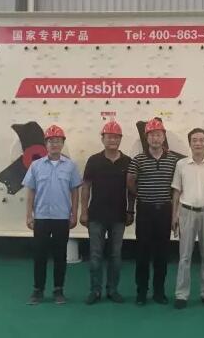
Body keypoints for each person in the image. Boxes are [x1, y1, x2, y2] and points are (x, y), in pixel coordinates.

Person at [23, 124, 82, 305]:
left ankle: (58, 290)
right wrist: (29, 215)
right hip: (41, 217)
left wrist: (74, 214)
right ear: (45, 144)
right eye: (51, 141)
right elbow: (31, 191)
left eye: (58, 141)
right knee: (39, 255)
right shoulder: (36, 166)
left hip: (61, 218)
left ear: (62, 143)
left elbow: (75, 192)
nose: (54, 144)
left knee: (60, 256)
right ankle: (38, 290)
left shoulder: (70, 166)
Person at [171, 128, 204, 309]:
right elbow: (176, 192)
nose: (198, 143)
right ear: (190, 143)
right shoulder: (181, 165)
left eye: (201, 140)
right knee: (184, 256)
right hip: (186, 212)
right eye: (194, 140)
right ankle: (181, 294)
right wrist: (174, 215)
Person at [127, 118, 180, 305]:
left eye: (158, 135)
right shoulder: (138, 160)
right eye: (151, 135)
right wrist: (142, 195)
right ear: (146, 138)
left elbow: (177, 188)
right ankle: (141, 292)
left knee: (162, 254)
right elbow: (130, 182)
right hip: (145, 211)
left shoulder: (173, 160)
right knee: (142, 253)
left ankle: (159, 292)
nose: (155, 138)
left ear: (163, 137)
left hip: (164, 210)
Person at [80, 120, 134, 305]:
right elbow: (86, 187)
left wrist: (130, 210)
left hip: (119, 216)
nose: (113, 140)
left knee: (115, 256)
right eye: (109, 137)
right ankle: (95, 291)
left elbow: (131, 189)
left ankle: (113, 290)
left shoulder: (127, 161)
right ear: (102, 139)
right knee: (95, 255)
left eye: (116, 137)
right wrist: (84, 212)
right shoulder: (93, 160)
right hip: (96, 216)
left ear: (120, 139)